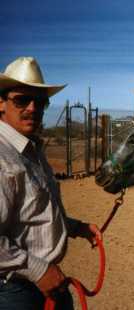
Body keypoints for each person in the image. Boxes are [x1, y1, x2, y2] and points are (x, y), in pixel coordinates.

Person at [0, 57, 101, 310]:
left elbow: (35, 211)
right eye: (22, 99)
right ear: (1, 102)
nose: (33, 108)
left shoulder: (31, 150)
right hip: (15, 291)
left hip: (45, 284)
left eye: (40, 101)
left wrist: (77, 227)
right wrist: (38, 270)